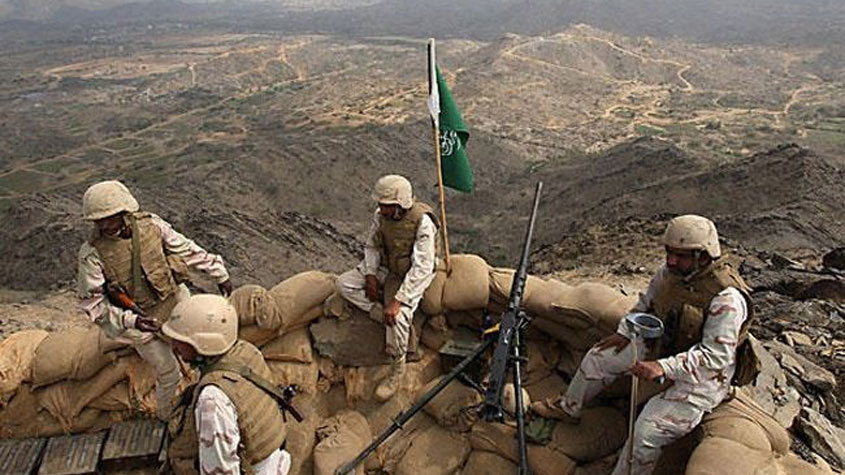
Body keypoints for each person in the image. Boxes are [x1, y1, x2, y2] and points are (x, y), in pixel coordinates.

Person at [531, 215, 754, 475]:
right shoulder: (669, 275)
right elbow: (646, 304)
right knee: (600, 356)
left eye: (680, 256)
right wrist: (625, 333)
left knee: (647, 431)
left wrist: (663, 367)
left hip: (703, 377)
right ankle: (569, 408)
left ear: (703, 256)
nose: (671, 261)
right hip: (664, 346)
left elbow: (715, 357)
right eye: (669, 252)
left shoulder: (726, 299)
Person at [76, 180, 233, 420]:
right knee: (169, 372)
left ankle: (211, 400)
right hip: (137, 320)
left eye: (109, 218)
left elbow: (186, 250)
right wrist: (131, 321)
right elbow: (93, 305)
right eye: (99, 221)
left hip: (174, 301)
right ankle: (166, 418)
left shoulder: (152, 226)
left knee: (202, 352)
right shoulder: (92, 254)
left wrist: (219, 273)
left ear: (123, 212)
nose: (104, 225)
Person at [336, 174, 440, 401]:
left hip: (412, 276)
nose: (381, 209)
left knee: (398, 318)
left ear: (401, 203)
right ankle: (378, 313)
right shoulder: (380, 217)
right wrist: (371, 274)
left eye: (387, 205)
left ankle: (397, 366)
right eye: (381, 205)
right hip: (389, 268)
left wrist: (398, 300)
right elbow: (372, 246)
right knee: (344, 284)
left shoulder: (422, 222)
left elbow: (422, 267)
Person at [162, 294, 291, 475]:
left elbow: (221, 469)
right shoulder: (246, 351)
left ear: (203, 343)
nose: (174, 347)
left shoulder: (212, 400)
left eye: (181, 340)